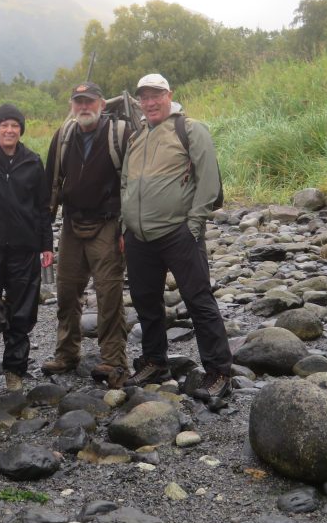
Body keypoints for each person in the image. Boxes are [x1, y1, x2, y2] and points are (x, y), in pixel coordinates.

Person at [119, 73, 232, 402]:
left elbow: (208, 181)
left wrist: (193, 226)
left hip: (178, 232)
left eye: (156, 95)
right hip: (139, 237)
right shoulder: (137, 137)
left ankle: (219, 372)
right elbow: (126, 183)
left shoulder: (190, 129)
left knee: (199, 301)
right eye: (144, 97)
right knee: (145, 301)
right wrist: (125, 226)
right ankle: (155, 361)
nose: (150, 102)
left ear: (169, 95)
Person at [42, 81, 129, 388]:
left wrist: (125, 228)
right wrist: (44, 230)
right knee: (66, 293)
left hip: (107, 224)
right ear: (72, 105)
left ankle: (114, 360)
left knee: (109, 294)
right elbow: (51, 180)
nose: (83, 107)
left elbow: (130, 184)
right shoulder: (64, 136)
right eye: (78, 102)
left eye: (89, 101)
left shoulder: (120, 134)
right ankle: (67, 354)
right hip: (71, 225)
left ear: (102, 105)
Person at [0, 103, 54, 392]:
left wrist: (46, 245)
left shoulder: (32, 161)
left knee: (21, 313)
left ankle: (14, 369)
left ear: (20, 130)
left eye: (15, 125)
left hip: (24, 250)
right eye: (4, 125)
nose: (9, 130)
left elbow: (42, 207)